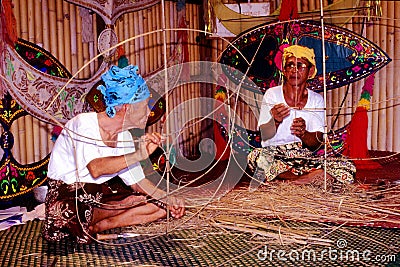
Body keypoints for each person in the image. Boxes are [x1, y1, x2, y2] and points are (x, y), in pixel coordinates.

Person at [42, 65, 185, 244]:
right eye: (143, 106)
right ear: (126, 108)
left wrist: (168, 198)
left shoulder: (124, 135)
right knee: (83, 202)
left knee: (160, 206)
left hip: (100, 200)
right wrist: (139, 155)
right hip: (69, 203)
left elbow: (138, 183)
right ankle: (113, 211)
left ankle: (103, 225)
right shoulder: (83, 124)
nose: (149, 113)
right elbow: (96, 168)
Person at [248, 45, 355, 186]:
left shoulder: (316, 99)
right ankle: (307, 179)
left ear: (310, 71)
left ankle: (290, 181)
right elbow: (264, 136)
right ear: (284, 71)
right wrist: (275, 121)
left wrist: (304, 134)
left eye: (300, 65)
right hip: (276, 155)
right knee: (255, 157)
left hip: (304, 157)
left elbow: (316, 144)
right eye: (290, 65)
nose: (294, 70)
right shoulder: (272, 95)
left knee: (346, 165)